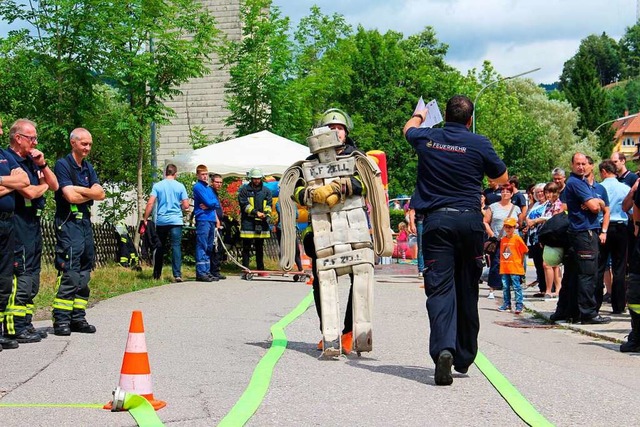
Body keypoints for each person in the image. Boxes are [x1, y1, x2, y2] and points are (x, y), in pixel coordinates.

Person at [403, 95, 508, 386]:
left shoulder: (428, 137)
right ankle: (463, 354)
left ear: (445, 115)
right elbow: (502, 177)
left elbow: (407, 129)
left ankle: (443, 351)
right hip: (471, 221)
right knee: (467, 288)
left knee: (439, 290)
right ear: (470, 119)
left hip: (437, 222)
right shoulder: (479, 142)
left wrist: (421, 114)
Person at [3, 119, 58, 343]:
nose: (35, 142)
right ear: (18, 138)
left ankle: (26, 321)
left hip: (33, 225)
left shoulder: (32, 160)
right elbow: (30, 193)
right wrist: (39, 187)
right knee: (22, 275)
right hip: (19, 223)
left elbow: (54, 186)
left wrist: (43, 166)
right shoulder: (10, 160)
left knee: (33, 276)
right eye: (31, 138)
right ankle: (15, 326)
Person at [52, 128, 105, 336]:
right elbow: (70, 197)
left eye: (90, 144)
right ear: (73, 143)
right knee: (71, 272)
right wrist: (88, 193)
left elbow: (100, 193)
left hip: (84, 224)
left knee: (84, 272)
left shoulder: (88, 167)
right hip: (69, 223)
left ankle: (78, 317)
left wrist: (80, 190)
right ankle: (62, 319)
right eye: (84, 144)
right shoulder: (63, 165)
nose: (88, 148)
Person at [550, 153, 610, 325]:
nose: (581, 167)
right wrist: (594, 203)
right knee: (587, 275)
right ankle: (588, 313)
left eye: (584, 164)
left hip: (582, 232)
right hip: (584, 232)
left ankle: (570, 310)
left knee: (575, 274)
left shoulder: (583, 183)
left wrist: (595, 202)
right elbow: (594, 208)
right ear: (572, 165)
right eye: (578, 164)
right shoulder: (576, 182)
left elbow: (601, 207)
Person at [0, 116, 29, 350]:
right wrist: (12, 183)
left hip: (7, 224)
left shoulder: (4, 155)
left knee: (4, 279)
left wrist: (3, 181)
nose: (1, 132)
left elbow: (24, 180)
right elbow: (17, 183)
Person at [143, 164, 189, 282]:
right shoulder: (180, 186)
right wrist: (180, 207)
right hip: (176, 220)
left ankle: (157, 274)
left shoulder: (158, 186)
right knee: (176, 246)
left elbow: (150, 203)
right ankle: (177, 274)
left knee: (160, 246)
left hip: (162, 221)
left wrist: (145, 218)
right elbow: (186, 205)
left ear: (165, 173)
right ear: (175, 173)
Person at [596, 160, 630, 314]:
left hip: (603, 228)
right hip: (621, 228)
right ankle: (618, 305)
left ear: (603, 171)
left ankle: (595, 304)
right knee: (620, 268)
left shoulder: (599, 188)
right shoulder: (625, 188)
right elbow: (629, 209)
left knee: (600, 266)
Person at [483, 184, 521, 299]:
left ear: (511, 194)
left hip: (512, 240)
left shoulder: (516, 208)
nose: (505, 193)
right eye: (503, 191)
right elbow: (485, 221)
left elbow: (519, 223)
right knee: (495, 264)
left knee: (513, 265)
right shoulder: (493, 207)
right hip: (498, 240)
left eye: (507, 191)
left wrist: (515, 225)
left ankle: (512, 287)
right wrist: (492, 234)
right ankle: (492, 289)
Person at [238, 168, 272, 277]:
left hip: (261, 224)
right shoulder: (244, 190)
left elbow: (269, 205)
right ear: (251, 179)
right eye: (254, 179)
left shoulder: (266, 191)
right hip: (248, 222)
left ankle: (260, 270)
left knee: (259, 248)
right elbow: (244, 205)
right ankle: (245, 270)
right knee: (246, 248)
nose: (256, 180)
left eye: (258, 178)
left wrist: (265, 214)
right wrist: (256, 212)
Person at [193, 165, 220, 282]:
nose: (205, 177)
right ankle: (201, 272)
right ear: (198, 175)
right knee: (202, 245)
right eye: (203, 174)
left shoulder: (209, 188)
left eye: (206, 174)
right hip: (203, 219)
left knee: (209, 246)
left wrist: (210, 205)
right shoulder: (198, 187)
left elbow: (216, 203)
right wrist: (210, 204)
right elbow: (209, 201)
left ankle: (207, 270)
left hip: (211, 219)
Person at [497, 217, 528, 314]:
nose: (508, 229)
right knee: (505, 286)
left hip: (515, 267)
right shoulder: (503, 240)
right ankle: (507, 304)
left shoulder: (517, 239)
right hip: (505, 268)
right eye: (506, 227)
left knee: (516, 287)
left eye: (510, 227)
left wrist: (521, 264)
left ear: (514, 228)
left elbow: (524, 251)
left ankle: (519, 305)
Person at [523, 183, 547, 294]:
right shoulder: (535, 204)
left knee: (545, 264)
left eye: (542, 191)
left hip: (543, 237)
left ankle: (548, 288)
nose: (540, 194)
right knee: (538, 264)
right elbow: (527, 217)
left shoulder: (549, 204)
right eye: (537, 192)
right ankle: (542, 288)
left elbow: (547, 218)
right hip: (532, 237)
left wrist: (535, 221)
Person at [209, 173, 226, 280]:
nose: (219, 184)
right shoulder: (210, 192)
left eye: (220, 182)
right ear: (212, 182)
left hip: (219, 223)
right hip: (214, 224)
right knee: (215, 248)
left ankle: (216, 270)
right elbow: (212, 208)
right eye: (217, 182)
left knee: (218, 248)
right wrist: (217, 221)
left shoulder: (216, 193)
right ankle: (213, 270)